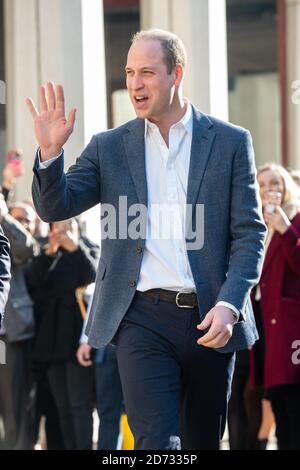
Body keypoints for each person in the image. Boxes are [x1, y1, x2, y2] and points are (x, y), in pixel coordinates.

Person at [27, 29, 266, 450]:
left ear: (177, 73)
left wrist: (230, 305)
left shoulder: (230, 142)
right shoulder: (109, 147)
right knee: (156, 443)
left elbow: (250, 233)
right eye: (129, 72)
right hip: (141, 319)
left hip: (212, 319)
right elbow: (54, 207)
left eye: (147, 73)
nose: (134, 84)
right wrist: (49, 155)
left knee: (200, 443)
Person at [254, 163, 300, 450]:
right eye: (262, 184)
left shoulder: (293, 219)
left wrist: (284, 229)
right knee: (279, 409)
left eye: (275, 182)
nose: (269, 189)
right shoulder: (258, 225)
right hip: (266, 330)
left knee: (293, 412)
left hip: (291, 331)